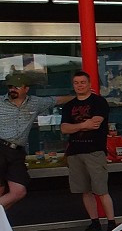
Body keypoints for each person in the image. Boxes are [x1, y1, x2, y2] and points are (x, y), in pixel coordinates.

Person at [0, 70, 70, 210]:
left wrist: (82, 96)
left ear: (26, 88)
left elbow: (56, 100)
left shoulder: (35, 102)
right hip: (0, 147)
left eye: (17, 87)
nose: (12, 90)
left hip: (17, 151)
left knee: (19, 191)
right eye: (10, 87)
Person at [61, 71, 116, 231]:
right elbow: (64, 129)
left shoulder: (99, 102)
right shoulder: (69, 106)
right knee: (85, 190)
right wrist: (83, 124)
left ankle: (112, 223)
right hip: (74, 152)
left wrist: (76, 126)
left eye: (82, 82)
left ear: (89, 83)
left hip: (94, 151)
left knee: (101, 190)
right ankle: (95, 222)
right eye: (76, 82)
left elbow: (96, 124)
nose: (79, 85)